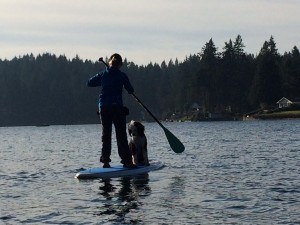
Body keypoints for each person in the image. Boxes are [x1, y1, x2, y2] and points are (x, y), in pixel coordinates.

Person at [87, 53, 136, 168]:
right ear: (120, 65)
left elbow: (89, 83)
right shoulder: (122, 75)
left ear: (109, 62)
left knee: (106, 134)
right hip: (117, 107)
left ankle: (105, 161)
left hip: (103, 107)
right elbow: (130, 90)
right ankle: (127, 161)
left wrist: (104, 78)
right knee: (121, 135)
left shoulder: (103, 74)